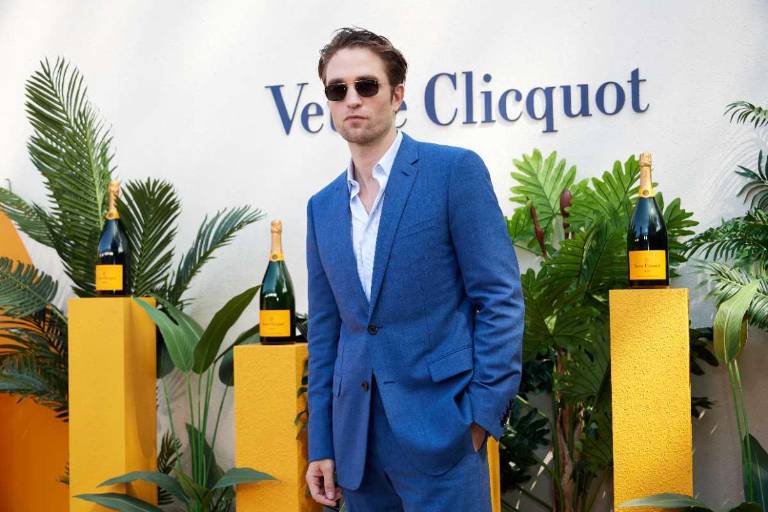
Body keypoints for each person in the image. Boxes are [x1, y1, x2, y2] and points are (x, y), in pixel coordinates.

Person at [304, 27, 524, 512]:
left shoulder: (453, 172)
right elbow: (326, 335)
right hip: (356, 448)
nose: (352, 99)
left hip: (443, 433)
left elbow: (500, 298)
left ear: (397, 94)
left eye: (366, 85)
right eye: (338, 90)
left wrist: (480, 417)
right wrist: (322, 443)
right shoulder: (322, 208)